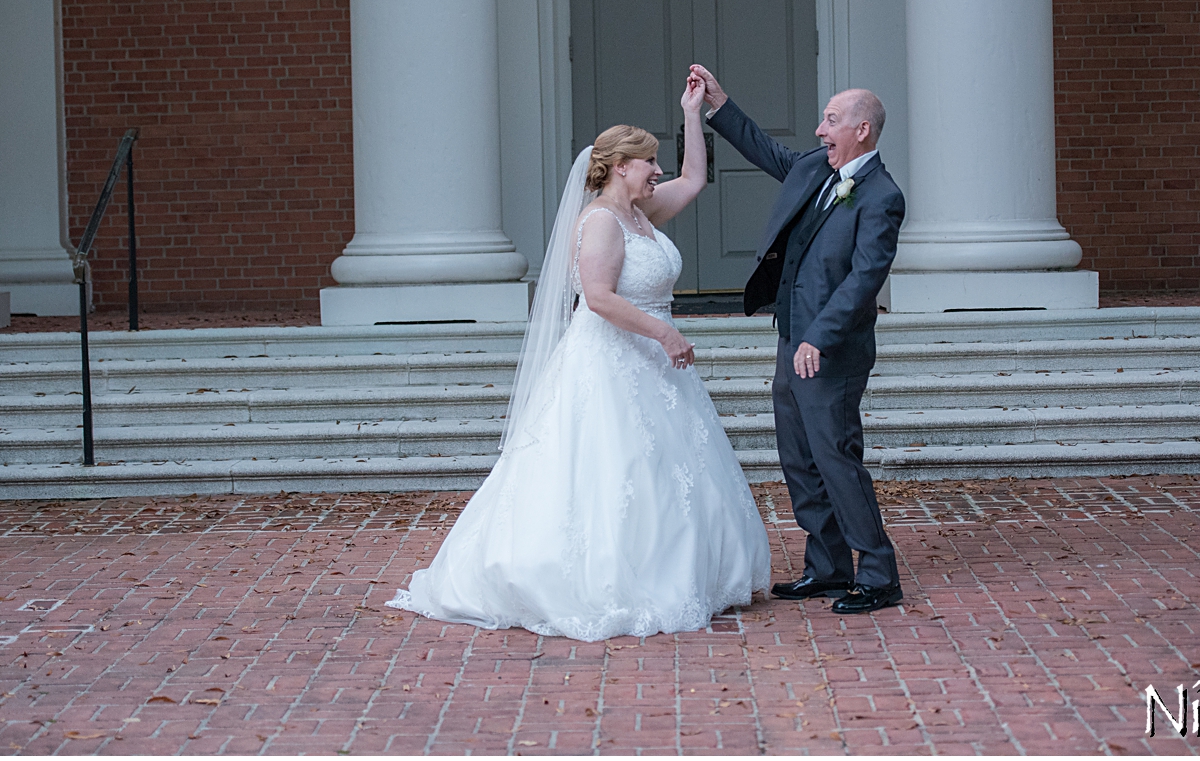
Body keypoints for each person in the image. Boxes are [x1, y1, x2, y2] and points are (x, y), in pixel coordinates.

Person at [387, 73, 770, 641]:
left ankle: (682, 570)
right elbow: (598, 299)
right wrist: (664, 335)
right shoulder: (600, 222)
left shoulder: (641, 213)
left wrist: (693, 111)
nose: (658, 171)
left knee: (666, 472)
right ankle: (601, 581)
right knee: (609, 469)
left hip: (656, 367)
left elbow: (694, 178)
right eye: (649, 164)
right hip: (615, 360)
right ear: (621, 167)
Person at [687, 63, 907, 615]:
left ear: (862, 129)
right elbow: (770, 154)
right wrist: (720, 103)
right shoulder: (816, 169)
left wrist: (819, 338)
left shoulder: (881, 195)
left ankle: (877, 573)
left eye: (830, 120)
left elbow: (864, 280)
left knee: (836, 456)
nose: (818, 129)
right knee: (799, 457)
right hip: (792, 338)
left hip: (830, 348)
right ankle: (828, 566)